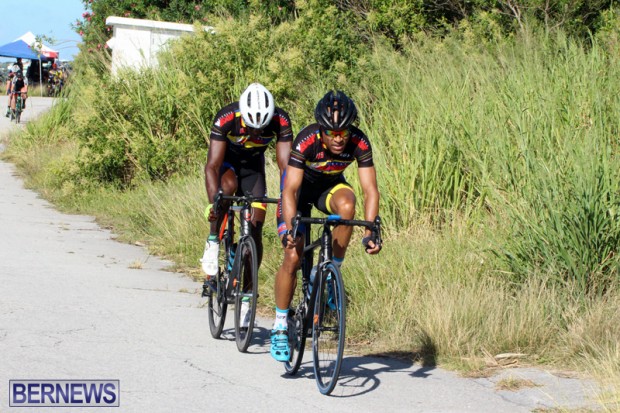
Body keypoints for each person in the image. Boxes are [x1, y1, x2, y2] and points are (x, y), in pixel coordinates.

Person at [270, 90, 382, 362]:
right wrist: (291, 229)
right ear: (321, 130)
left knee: (348, 206)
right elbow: (289, 190)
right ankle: (280, 324)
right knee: (293, 255)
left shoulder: (359, 141)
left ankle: (330, 273)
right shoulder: (307, 140)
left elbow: (370, 190)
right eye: (332, 133)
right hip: (298, 194)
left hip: (328, 188)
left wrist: (370, 230)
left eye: (343, 132)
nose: (338, 139)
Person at [201, 83, 293, 326]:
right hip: (227, 166)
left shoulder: (281, 120)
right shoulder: (227, 117)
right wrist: (214, 205)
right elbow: (212, 166)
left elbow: (286, 168)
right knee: (226, 190)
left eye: (261, 128)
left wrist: (287, 198)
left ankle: (247, 297)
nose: (256, 132)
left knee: (255, 231)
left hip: (253, 170)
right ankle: (213, 242)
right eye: (251, 127)